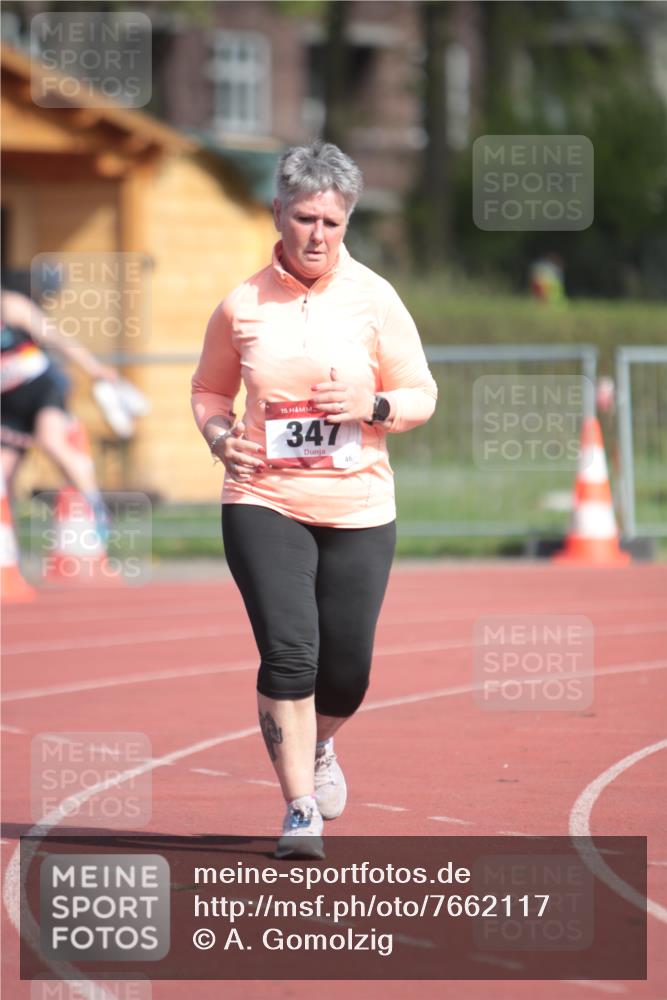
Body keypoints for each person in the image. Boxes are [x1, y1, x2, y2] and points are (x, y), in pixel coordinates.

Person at [191, 141, 437, 859]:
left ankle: (321, 743)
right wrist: (216, 434)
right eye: (304, 219)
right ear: (277, 212)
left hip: (359, 505)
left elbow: (421, 393)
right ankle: (299, 806)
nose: (316, 235)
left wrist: (373, 403)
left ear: (347, 222)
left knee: (346, 672)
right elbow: (209, 388)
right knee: (291, 656)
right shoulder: (241, 304)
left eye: (331, 222)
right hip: (263, 496)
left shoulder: (375, 299)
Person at [1, 286, 118, 535]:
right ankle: (8, 551)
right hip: (8, 407)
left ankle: (96, 507)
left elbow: (58, 339)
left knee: (50, 441)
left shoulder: (11, 306)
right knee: (3, 475)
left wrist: (93, 368)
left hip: (41, 388)